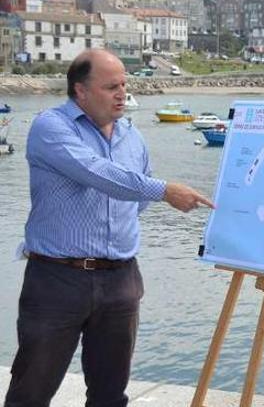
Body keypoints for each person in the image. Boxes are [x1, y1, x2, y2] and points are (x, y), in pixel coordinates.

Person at [5, 49, 214, 407]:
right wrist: (165, 190)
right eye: (110, 86)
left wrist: (126, 221)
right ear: (80, 91)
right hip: (57, 280)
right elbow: (96, 172)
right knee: (31, 392)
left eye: (123, 85)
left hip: (121, 280)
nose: (121, 94)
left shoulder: (133, 137)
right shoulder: (50, 127)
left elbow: (135, 195)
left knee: (110, 394)